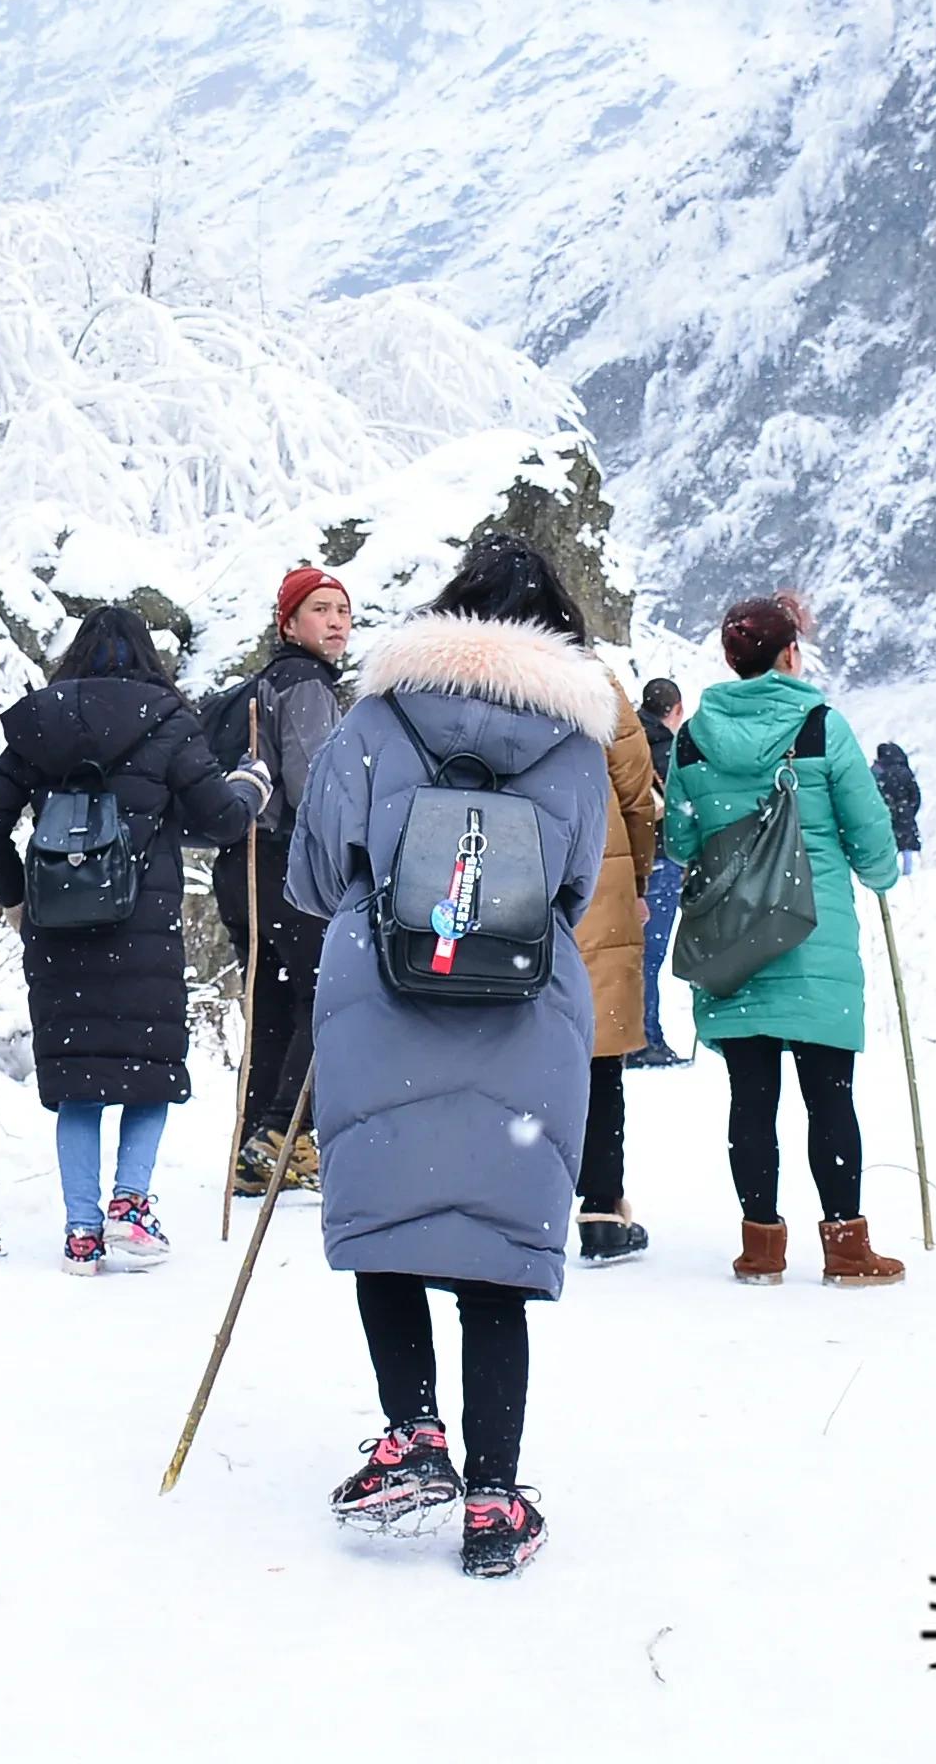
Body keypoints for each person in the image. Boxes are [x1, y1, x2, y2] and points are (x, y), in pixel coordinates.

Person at [289, 533, 618, 1578]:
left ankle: (413, 1435)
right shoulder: (575, 744)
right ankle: (493, 1499)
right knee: (494, 1251)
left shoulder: (376, 717)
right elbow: (572, 886)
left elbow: (311, 869)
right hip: (517, 997)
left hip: (379, 988)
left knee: (387, 1215)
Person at [0, 604, 269, 1272]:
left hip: (58, 927)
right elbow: (218, 818)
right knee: (146, 1073)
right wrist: (251, 784)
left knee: (78, 1081)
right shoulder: (165, 721)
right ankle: (130, 1204)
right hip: (140, 929)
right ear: (146, 657)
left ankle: (81, 1233)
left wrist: (18, 900)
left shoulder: (39, 725)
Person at [666, 590, 906, 1288]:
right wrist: (882, 874)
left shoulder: (693, 737)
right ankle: (848, 1249)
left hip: (735, 940)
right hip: (816, 934)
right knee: (830, 1095)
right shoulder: (822, 726)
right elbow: (869, 835)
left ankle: (761, 1247)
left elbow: (682, 839)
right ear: (790, 653)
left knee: (751, 1097)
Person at [214, 565, 354, 1192]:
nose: (335, 623)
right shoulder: (305, 685)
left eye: (343, 612)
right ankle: (283, 1135)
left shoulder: (266, 682)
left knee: (270, 1002)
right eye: (320, 610)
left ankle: (254, 1142)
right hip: (291, 863)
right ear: (289, 623)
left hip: (244, 863)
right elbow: (313, 785)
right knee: (326, 999)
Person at [569, 651, 665, 1264]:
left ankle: (498, 1200)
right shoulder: (591, 680)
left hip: (483, 881)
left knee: (495, 1044)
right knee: (599, 1048)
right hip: (590, 876)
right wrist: (637, 880)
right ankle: (602, 1207)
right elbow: (636, 792)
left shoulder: (451, 679)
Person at [632, 676, 692, 1065]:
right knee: (649, 956)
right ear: (676, 711)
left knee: (628, 954)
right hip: (661, 860)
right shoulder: (672, 752)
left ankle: (622, 1036)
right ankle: (646, 1040)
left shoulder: (626, 743)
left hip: (626, 861)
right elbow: (685, 812)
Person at [870, 739, 925, 880]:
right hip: (905, 814)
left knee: (888, 844)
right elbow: (916, 796)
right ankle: (908, 874)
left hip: (885, 814)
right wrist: (909, 811)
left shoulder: (876, 772)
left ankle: (889, 874)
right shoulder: (904, 771)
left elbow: (870, 796)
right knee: (906, 846)